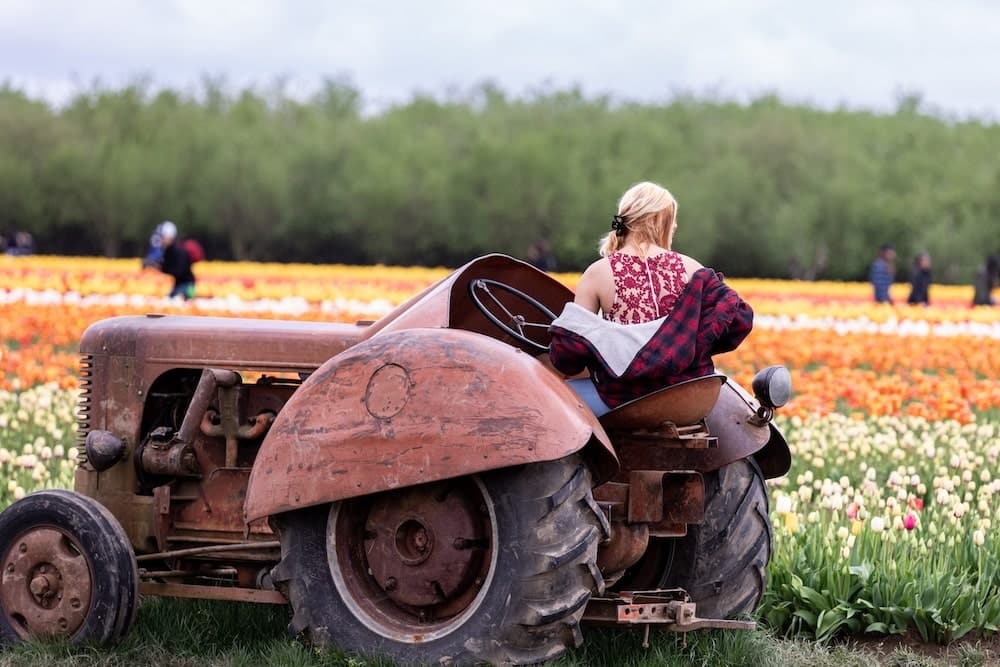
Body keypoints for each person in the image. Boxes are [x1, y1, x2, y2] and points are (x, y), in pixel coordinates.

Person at [547, 181, 753, 416]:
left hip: (625, 399)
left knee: (552, 399)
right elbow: (738, 320)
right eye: (672, 220)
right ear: (663, 221)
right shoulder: (693, 269)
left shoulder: (598, 272)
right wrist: (691, 343)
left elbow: (567, 355)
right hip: (689, 395)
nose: (674, 226)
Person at [146, 221, 196, 299]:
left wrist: (160, 268)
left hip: (188, 287)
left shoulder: (177, 250)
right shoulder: (169, 250)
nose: (161, 240)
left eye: (162, 237)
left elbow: (179, 271)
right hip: (179, 285)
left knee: (177, 302)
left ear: (169, 237)